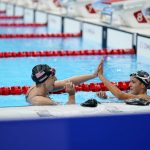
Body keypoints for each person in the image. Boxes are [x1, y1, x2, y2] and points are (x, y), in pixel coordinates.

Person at [26, 64, 100, 105]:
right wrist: (71, 95)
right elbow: (67, 113)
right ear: (44, 81)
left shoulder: (39, 86)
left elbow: (67, 81)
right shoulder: (41, 101)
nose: (56, 79)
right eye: (52, 77)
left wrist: (93, 75)